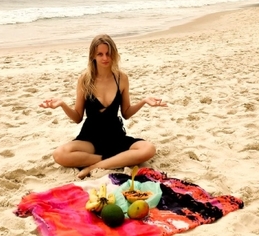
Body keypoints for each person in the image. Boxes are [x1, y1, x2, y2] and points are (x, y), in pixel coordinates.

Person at [41, 34, 166, 179]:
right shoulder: (85, 80)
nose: (105, 58)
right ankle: (114, 160)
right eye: (100, 54)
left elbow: (126, 113)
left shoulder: (121, 78)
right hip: (90, 138)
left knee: (148, 149)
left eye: (108, 53)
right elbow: (77, 117)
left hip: (115, 135)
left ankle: (94, 166)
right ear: (93, 56)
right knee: (60, 154)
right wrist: (62, 104)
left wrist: (144, 101)